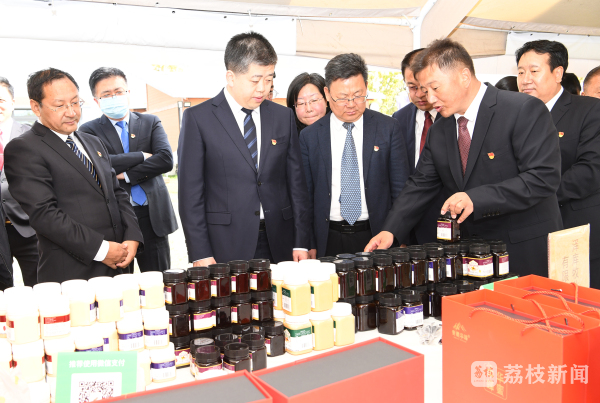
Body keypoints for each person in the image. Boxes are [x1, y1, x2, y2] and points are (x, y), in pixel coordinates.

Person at [366, 39, 563, 277]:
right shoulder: (440, 129)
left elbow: (542, 178)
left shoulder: (522, 110)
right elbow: (420, 184)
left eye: (435, 88)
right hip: (472, 257)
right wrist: (391, 231)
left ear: (464, 76)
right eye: (425, 90)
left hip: (522, 250)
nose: (430, 98)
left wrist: (475, 198)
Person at [178, 32, 310, 265]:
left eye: (269, 79)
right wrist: (200, 252)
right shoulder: (198, 119)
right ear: (231, 77)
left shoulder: (282, 116)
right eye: (255, 80)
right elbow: (190, 194)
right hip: (224, 243)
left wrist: (301, 241)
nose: (263, 88)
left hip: (280, 240)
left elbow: (296, 183)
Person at [4, 68, 143, 283]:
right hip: (73, 273)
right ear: (36, 107)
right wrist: (102, 250)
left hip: (120, 264)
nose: (71, 112)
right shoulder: (24, 148)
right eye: (60, 105)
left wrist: (132, 236)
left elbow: (116, 193)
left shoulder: (93, 142)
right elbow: (45, 214)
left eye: (75, 102)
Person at [300, 53, 410, 257]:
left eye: (358, 95)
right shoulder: (310, 136)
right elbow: (305, 197)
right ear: (327, 93)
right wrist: (308, 242)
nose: (351, 104)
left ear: (366, 88)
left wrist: (398, 236)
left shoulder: (388, 128)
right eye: (342, 97)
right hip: (328, 238)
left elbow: (400, 191)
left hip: (376, 236)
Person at [517, 40, 600, 287]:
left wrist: (533, 193)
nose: (525, 79)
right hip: (526, 234)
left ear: (558, 73)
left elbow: (591, 170)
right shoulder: (514, 115)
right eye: (520, 72)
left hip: (573, 230)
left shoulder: (590, 110)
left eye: (534, 71)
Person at [79, 68, 177, 273]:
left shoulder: (150, 122)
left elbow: (165, 160)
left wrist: (128, 174)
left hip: (152, 216)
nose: (114, 97)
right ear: (96, 100)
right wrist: (141, 155)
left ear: (128, 93)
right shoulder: (88, 130)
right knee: (121, 284)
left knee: (158, 280)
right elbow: (99, 164)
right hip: (117, 218)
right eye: (106, 94)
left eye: (118, 91)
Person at [392, 49, 443, 244]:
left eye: (425, 87)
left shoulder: (451, 116)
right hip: (410, 222)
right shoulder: (399, 119)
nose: (420, 94)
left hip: (448, 219)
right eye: (412, 87)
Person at [0, 77, 38, 286]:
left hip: (28, 226)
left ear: (13, 102)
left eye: (1, 100)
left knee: (39, 284)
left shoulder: (31, 135)